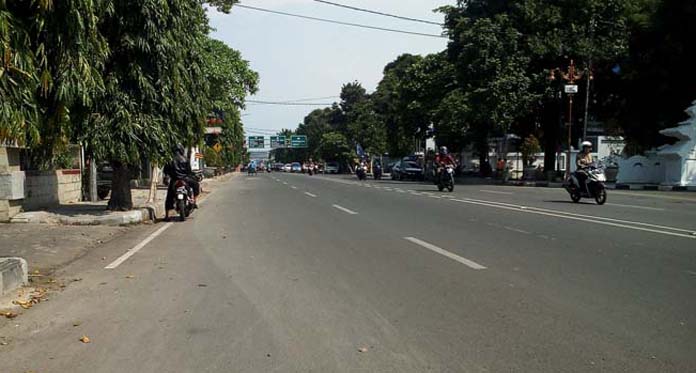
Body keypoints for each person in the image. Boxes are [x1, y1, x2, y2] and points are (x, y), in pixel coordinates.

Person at [163, 143, 200, 221]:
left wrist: (166, 178)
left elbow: (166, 171)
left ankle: (167, 215)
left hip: (174, 180)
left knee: (169, 196)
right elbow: (189, 172)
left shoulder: (169, 160)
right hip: (185, 179)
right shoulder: (185, 159)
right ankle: (194, 200)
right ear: (181, 150)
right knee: (196, 185)